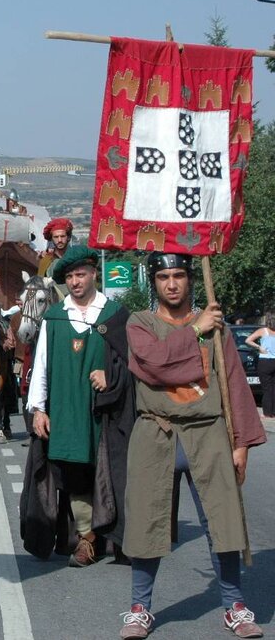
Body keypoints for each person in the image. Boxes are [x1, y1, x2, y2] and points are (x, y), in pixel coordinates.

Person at [118, 253, 266, 640]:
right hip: (156, 432)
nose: (171, 284)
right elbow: (152, 364)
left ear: (189, 279)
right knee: (145, 522)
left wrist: (241, 443)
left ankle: (234, 606)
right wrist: (196, 332)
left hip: (209, 431)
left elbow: (233, 381)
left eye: (179, 275)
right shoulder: (141, 323)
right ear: (154, 282)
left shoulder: (214, 325)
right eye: (164, 276)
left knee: (223, 520)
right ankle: (139, 608)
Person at [25, 245, 133, 568]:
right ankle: (86, 538)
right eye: (70, 276)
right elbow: (40, 365)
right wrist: (38, 408)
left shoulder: (115, 315)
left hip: (105, 411)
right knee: (74, 473)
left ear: (93, 274)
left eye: (80, 274)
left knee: (112, 472)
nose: (75, 281)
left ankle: (118, 536)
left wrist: (110, 374)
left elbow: (132, 364)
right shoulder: (55, 318)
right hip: (66, 408)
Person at [245, 313, 275, 418]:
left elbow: (248, 340)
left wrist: (259, 347)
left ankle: (267, 413)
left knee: (267, 388)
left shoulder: (263, 331)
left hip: (265, 361)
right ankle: (273, 412)